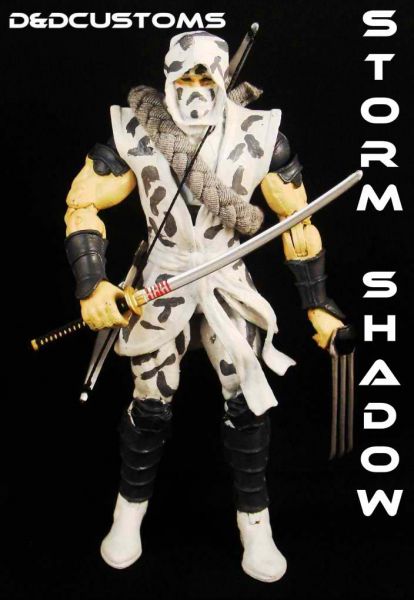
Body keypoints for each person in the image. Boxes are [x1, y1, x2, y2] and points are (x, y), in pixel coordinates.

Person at [64, 30, 345, 582]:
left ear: (222, 79)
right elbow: (82, 203)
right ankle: (128, 514)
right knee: (150, 402)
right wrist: (93, 284)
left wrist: (318, 304)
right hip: (160, 280)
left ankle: (255, 524)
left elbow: (297, 222)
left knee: (247, 399)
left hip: (226, 279)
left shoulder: (261, 136)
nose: (195, 89)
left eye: (205, 78)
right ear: (168, 78)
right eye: (184, 77)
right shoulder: (134, 130)